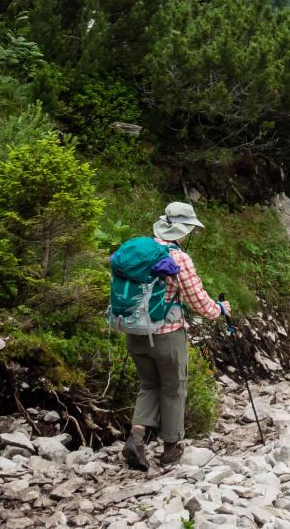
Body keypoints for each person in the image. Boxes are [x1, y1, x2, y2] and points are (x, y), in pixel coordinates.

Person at [122, 202, 228, 472]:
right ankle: (171, 449)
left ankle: (135, 440)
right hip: (167, 334)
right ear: (186, 229)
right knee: (174, 387)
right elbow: (197, 301)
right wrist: (219, 310)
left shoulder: (140, 250)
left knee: (149, 385)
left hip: (134, 331)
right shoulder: (179, 258)